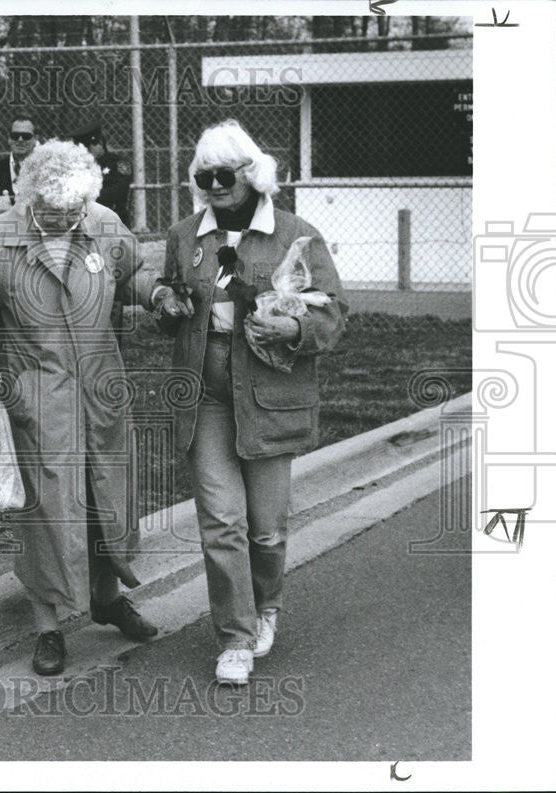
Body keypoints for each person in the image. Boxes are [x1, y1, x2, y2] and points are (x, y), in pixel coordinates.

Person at [0, 139, 163, 676]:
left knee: (105, 497)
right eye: (53, 212)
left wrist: (156, 294)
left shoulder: (104, 223)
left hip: (100, 389)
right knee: (45, 512)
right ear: (29, 197)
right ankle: (47, 627)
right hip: (36, 395)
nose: (66, 220)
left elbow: (133, 273)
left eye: (74, 212)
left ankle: (107, 597)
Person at [151, 120, 348, 685]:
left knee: (266, 528)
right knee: (221, 522)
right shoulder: (186, 235)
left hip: (268, 395)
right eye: (202, 176)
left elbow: (333, 314)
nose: (212, 185)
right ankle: (234, 638)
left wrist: (290, 327)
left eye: (223, 176)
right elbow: (168, 296)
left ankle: (266, 606)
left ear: (251, 174)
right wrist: (167, 304)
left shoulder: (295, 234)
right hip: (205, 395)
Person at [70, 121, 133, 340]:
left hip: (109, 231)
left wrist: (84, 196)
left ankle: (111, 341)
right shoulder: (76, 169)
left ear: (98, 144)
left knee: (110, 287)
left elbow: (116, 193)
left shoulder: (116, 164)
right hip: (80, 232)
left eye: (90, 146)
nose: (87, 152)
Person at [0, 114, 38, 223]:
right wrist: (29, 208)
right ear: (9, 139)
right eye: (15, 135)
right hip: (3, 233)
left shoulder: (44, 168)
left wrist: (9, 204)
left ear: (35, 139)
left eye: (26, 136)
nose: (20, 140)